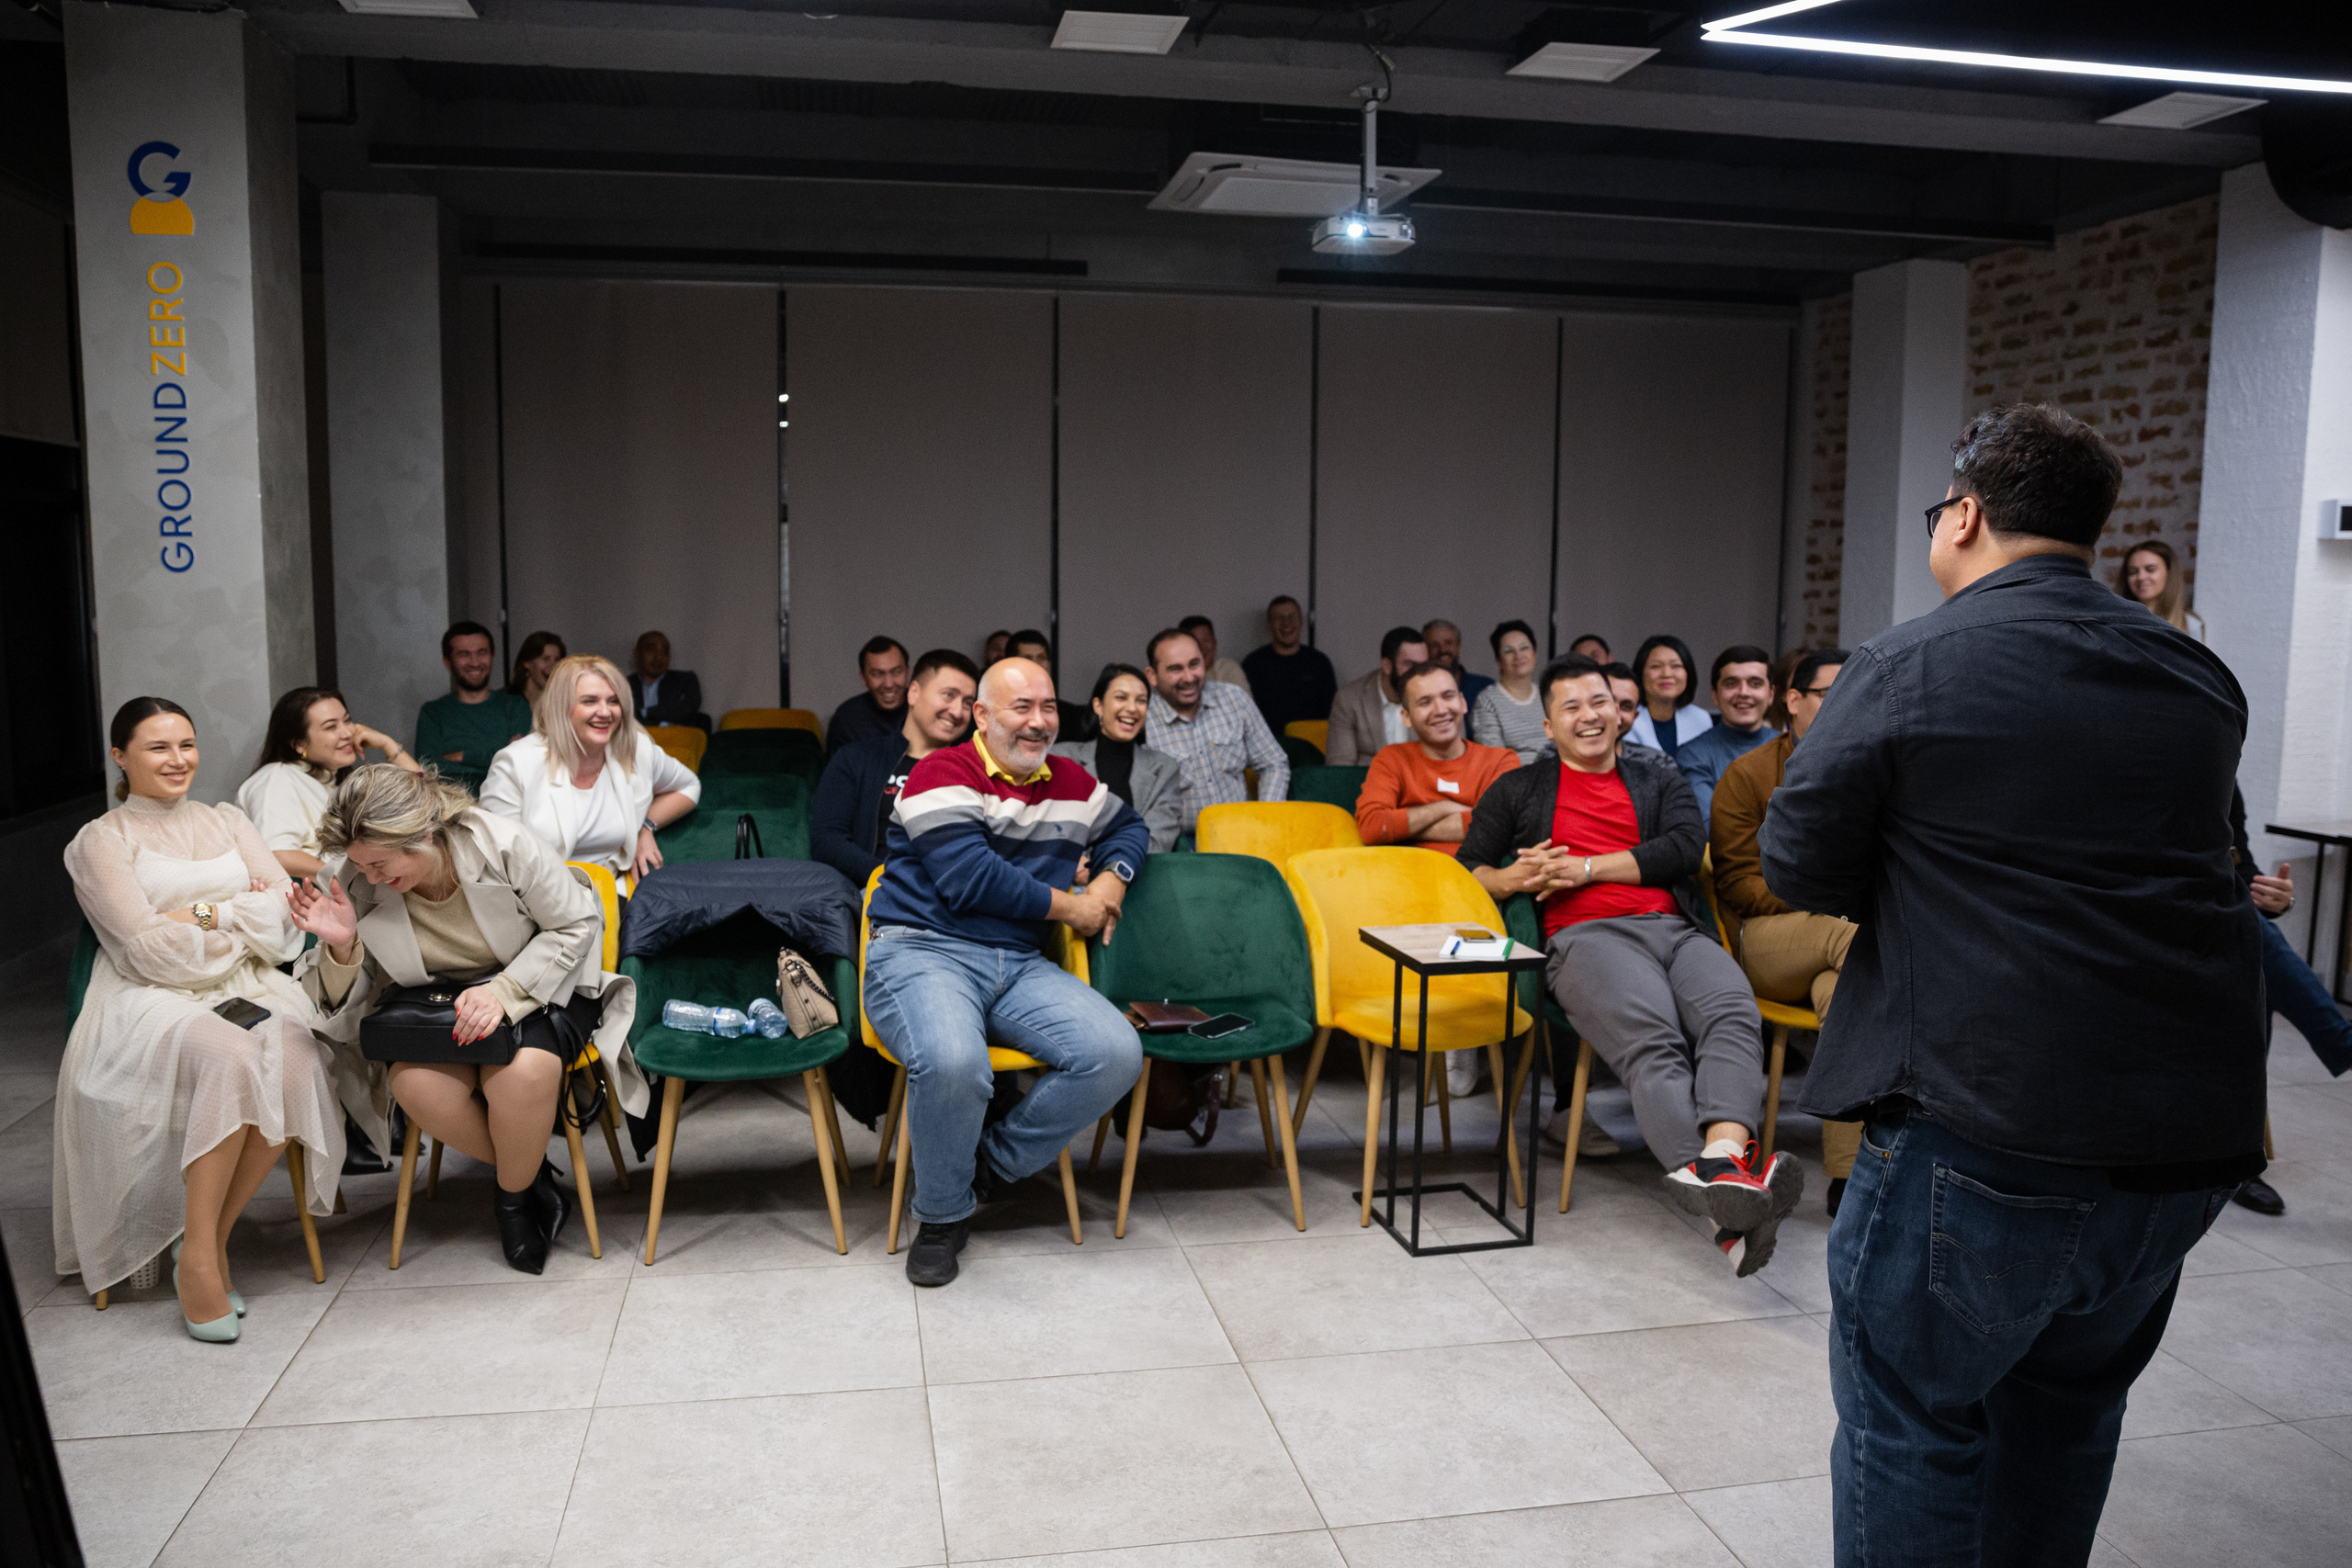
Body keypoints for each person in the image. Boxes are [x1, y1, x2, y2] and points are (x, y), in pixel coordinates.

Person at [1760, 403, 2263, 1564]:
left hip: (1989, 1121)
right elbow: (2219, 863)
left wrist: (1923, 879)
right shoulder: (2195, 674)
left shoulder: (1908, 661)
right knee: (2067, 1420)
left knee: (1913, 1426)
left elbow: (1799, 862)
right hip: (2179, 1142)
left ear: (1965, 516)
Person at [1459, 655, 1799, 1276]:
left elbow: (1683, 848)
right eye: (1571, 707)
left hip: (1675, 928)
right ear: (1549, 726)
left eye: (1600, 702)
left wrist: (1587, 867)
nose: (1590, 716)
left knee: (1734, 1012)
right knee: (1654, 1042)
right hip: (1586, 938)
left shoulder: (1657, 775)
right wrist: (1514, 877)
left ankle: (1722, 1162)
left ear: (1619, 712)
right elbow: (1468, 868)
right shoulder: (1520, 788)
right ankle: (1728, 1213)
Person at [58, 698, 381, 1341]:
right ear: (120, 756)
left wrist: (206, 916)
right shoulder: (101, 840)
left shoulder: (228, 819)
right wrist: (235, 914)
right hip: (150, 997)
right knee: (234, 1055)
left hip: (246, 982)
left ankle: (202, 1243)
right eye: (158, 747)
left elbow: (284, 918)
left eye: (186, 744)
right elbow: (144, 948)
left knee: (295, 1055)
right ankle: (203, 1262)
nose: (177, 759)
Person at [862, 657, 1148, 1288]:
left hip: (1017, 964)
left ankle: (984, 1167)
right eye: (1022, 707)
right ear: (982, 716)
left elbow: (1129, 826)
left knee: (1116, 1051)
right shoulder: (940, 771)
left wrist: (1111, 882)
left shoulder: (1071, 781)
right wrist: (1073, 906)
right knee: (954, 1062)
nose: (1039, 721)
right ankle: (941, 1217)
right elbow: (970, 879)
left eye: (1048, 707)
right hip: (921, 951)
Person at [291, 765, 643, 1276]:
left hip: (537, 982)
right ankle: (531, 1175)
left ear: (422, 834)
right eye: (361, 866)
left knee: (521, 1076)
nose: (370, 879)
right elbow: (346, 993)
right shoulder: (353, 878)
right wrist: (343, 947)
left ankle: (512, 1204)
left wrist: (504, 993)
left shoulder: (503, 845)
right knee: (415, 1084)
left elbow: (574, 925)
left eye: (380, 864)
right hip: (434, 1000)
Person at [1710, 648, 1861, 1213]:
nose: (1846, 705)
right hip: (1763, 938)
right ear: (1793, 700)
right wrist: (1826, 898)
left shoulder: (1868, 769)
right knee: (1857, 939)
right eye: (1829, 693)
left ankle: (1848, 1176)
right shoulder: (1749, 774)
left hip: (1840, 939)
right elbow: (1738, 883)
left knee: (1845, 992)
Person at [2227, 787, 2351, 1218]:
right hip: (2144, 920)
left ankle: (2237, 1158)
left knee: (2255, 969)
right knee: (2252, 940)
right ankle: (2340, 1040)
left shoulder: (2222, 772)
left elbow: (2241, 867)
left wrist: (2278, 898)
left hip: (2221, 925)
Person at [480, 654, 702, 883]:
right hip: (537, 895)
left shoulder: (636, 749)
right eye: (590, 701)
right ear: (561, 706)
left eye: (613, 701)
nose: (605, 712)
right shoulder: (516, 763)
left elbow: (689, 786)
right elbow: (500, 862)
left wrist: (645, 828)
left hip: (611, 892)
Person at [811, 649, 979, 886]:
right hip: (871, 891)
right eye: (948, 695)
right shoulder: (856, 759)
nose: (957, 711)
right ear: (914, 693)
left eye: (967, 703)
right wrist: (889, 878)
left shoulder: (973, 771)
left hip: (947, 895)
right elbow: (827, 841)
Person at [240, 686, 422, 880]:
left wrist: (387, 744)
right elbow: (279, 855)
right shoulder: (276, 778)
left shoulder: (336, 780)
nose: (348, 733)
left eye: (347, 720)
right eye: (331, 727)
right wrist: (351, 882)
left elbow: (427, 801)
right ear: (299, 744)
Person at [1356, 664, 1517, 855]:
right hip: (1407, 871)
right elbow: (1373, 827)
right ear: (1407, 717)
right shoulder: (1391, 759)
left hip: (1475, 872)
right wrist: (1443, 808)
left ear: (1463, 703)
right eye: (1425, 702)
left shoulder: (1500, 761)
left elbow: (1501, 827)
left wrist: (1403, 829)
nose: (1440, 710)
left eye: (1448, 696)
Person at [1143, 628, 1291, 829]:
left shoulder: (1233, 699)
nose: (1189, 677)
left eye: (1194, 664)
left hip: (1242, 832)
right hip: (1180, 842)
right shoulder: (1142, 721)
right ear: (1152, 676)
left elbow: (1273, 763)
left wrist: (1265, 820)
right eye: (1176, 669)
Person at [1053, 662, 1184, 853]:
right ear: (1098, 706)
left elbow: (1156, 843)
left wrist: (1100, 863)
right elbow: (1053, 832)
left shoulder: (1165, 769)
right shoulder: (1061, 759)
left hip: (1139, 870)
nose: (1132, 708)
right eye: (1121, 697)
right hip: (1072, 871)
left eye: (1141, 701)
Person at [415, 622, 534, 791]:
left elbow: (521, 763)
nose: (475, 662)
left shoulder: (515, 707)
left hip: (506, 801)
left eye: (482, 653)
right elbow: (427, 772)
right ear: (447, 662)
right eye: (464, 654)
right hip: (450, 804)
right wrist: (497, 758)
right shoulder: (433, 713)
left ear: (492, 656)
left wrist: (463, 756)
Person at [1673, 645, 1778, 823]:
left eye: (1755, 683)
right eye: (1731, 684)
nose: (1743, 692)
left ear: (1771, 694)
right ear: (1714, 695)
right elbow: (1712, 826)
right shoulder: (1693, 755)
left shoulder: (1792, 748)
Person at [1326, 626, 1428, 767]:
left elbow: (1449, 760)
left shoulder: (1437, 699)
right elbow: (1340, 767)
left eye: (1423, 665)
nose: (1418, 673)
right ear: (1387, 666)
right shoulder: (1349, 700)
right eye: (1409, 664)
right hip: (1366, 780)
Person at [1239, 595, 1338, 739]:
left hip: (1312, 746)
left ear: (1301, 621)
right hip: (1267, 746)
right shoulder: (1253, 664)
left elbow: (1333, 713)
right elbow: (1244, 715)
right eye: (1279, 618)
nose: (1286, 623)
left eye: (1292, 616)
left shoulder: (1319, 662)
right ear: (1269, 625)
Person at [1471, 620, 1549, 763]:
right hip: (1516, 775)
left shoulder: (1547, 695)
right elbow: (1495, 759)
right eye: (1508, 651)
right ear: (1498, 659)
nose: (1518, 656)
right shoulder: (1487, 701)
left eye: (1524, 648)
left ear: (1535, 653)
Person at [1625, 635, 1713, 761]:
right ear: (1640, 673)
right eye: (1656, 666)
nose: (1666, 674)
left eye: (1675, 666)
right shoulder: (1626, 719)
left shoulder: (1701, 719)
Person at [827, 637, 911, 761]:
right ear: (863, 677)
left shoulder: (927, 710)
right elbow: (837, 771)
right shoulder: (847, 719)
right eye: (877, 674)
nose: (888, 684)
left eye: (897, 672)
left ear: (908, 672)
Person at [2115, 537, 2206, 642]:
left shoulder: (2190, 625)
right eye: (2133, 571)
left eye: (2150, 569)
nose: (2141, 577)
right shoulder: (2115, 621)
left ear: (2169, 573)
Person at [628, 631, 707, 732]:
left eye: (665, 652)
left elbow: (681, 713)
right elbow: (625, 722)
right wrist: (662, 725)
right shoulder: (625, 684)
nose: (659, 657)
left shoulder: (685, 680)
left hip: (676, 739)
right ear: (637, 654)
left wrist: (643, 712)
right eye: (652, 650)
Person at [1600, 663, 1666, 763]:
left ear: (1635, 716)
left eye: (1626, 707)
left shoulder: (1658, 763)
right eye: (1606, 702)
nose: (1616, 716)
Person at [1421, 619, 1493, 705]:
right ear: (1424, 649)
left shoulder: (1486, 687)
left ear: (1458, 646)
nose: (1443, 650)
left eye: (1448, 643)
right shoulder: (1418, 689)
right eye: (1434, 645)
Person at [1177, 615, 1250, 694]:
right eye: (1196, 642)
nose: (1202, 647)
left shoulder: (1228, 669)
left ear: (1215, 643)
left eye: (1206, 640)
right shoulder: (1177, 676)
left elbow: (1244, 699)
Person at [507, 630, 566, 707]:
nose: (553, 666)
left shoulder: (562, 705)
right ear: (527, 662)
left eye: (557, 660)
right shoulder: (507, 702)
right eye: (546, 659)